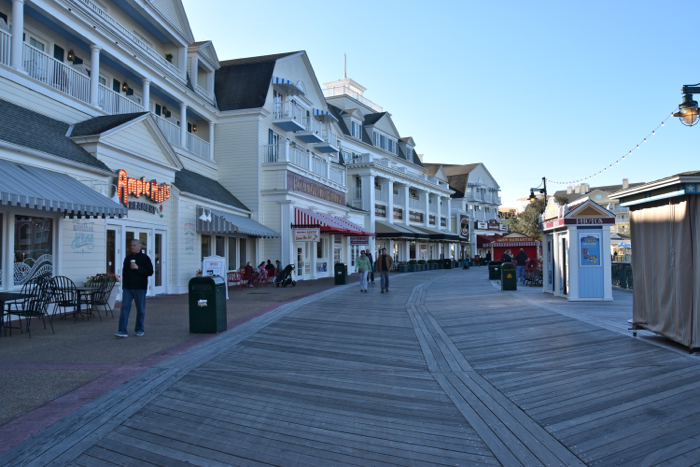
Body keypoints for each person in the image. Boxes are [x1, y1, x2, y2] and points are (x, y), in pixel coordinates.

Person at [115, 239, 153, 338]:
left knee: (140, 309)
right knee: (124, 308)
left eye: (134, 245)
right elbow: (124, 272)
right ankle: (122, 331)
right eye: (131, 245)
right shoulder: (127, 258)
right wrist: (124, 286)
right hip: (128, 288)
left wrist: (138, 268)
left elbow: (150, 272)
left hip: (140, 288)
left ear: (140, 247)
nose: (132, 247)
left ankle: (139, 329)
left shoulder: (145, 258)